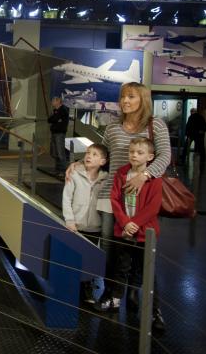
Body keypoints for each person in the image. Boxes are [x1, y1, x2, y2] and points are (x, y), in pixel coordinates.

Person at [66, 82, 171, 313]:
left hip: (142, 199)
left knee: (139, 249)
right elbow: (101, 155)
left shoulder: (157, 125)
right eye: (123, 97)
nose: (125, 101)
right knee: (112, 250)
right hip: (110, 197)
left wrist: (144, 176)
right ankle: (111, 292)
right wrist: (78, 163)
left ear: (142, 99)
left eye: (131, 96)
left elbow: (165, 157)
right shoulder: (113, 126)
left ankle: (133, 291)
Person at [100, 137, 165, 332]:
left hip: (144, 233)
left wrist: (135, 223)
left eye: (139, 152)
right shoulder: (121, 173)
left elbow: (154, 206)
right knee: (121, 267)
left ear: (150, 156)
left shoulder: (154, 179)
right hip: (124, 231)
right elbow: (115, 199)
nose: (134, 155)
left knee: (147, 273)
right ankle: (116, 299)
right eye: (131, 152)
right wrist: (125, 222)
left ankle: (155, 311)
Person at [62, 143, 109, 304]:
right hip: (76, 226)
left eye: (95, 154)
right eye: (88, 153)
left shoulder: (106, 179)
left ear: (103, 161)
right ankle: (70, 288)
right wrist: (69, 220)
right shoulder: (74, 174)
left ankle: (87, 288)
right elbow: (67, 198)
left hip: (95, 228)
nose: (89, 156)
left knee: (89, 259)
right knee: (73, 258)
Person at [48, 96, 69, 175]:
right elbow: (50, 120)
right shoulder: (55, 110)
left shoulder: (63, 110)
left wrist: (55, 119)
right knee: (54, 152)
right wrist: (55, 119)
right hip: (54, 133)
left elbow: (54, 119)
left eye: (53, 101)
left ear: (58, 101)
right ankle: (57, 169)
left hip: (60, 133)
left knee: (60, 152)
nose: (52, 103)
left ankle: (63, 171)